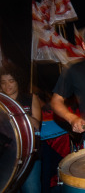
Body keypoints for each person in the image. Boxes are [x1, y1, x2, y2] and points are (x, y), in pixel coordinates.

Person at [0, 65, 42, 193]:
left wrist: (17, 110)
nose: (7, 85)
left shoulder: (30, 98)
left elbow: (36, 125)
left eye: (11, 81)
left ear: (18, 81)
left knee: (31, 189)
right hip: (6, 156)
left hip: (29, 154)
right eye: (3, 82)